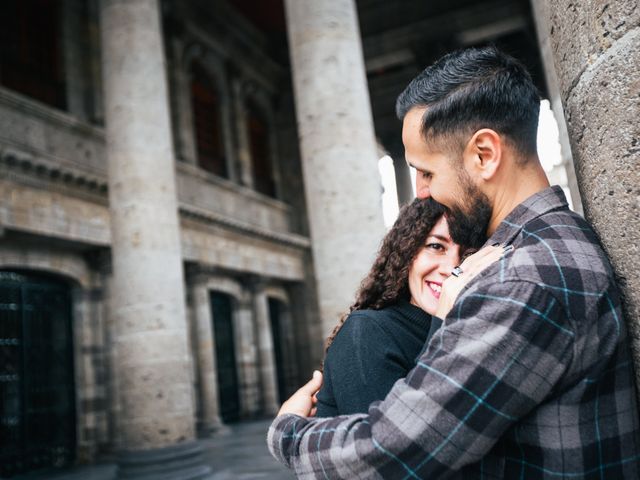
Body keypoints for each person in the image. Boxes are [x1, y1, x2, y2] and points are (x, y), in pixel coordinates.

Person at [267, 46, 640, 478]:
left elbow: (391, 451)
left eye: (426, 172)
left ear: (484, 154)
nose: (421, 193)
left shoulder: (524, 278)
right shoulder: (552, 242)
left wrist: (287, 432)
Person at [317, 198, 468, 417]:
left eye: (468, 255)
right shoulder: (367, 332)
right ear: (407, 253)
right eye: (436, 246)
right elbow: (390, 442)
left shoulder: (474, 329)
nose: (452, 268)